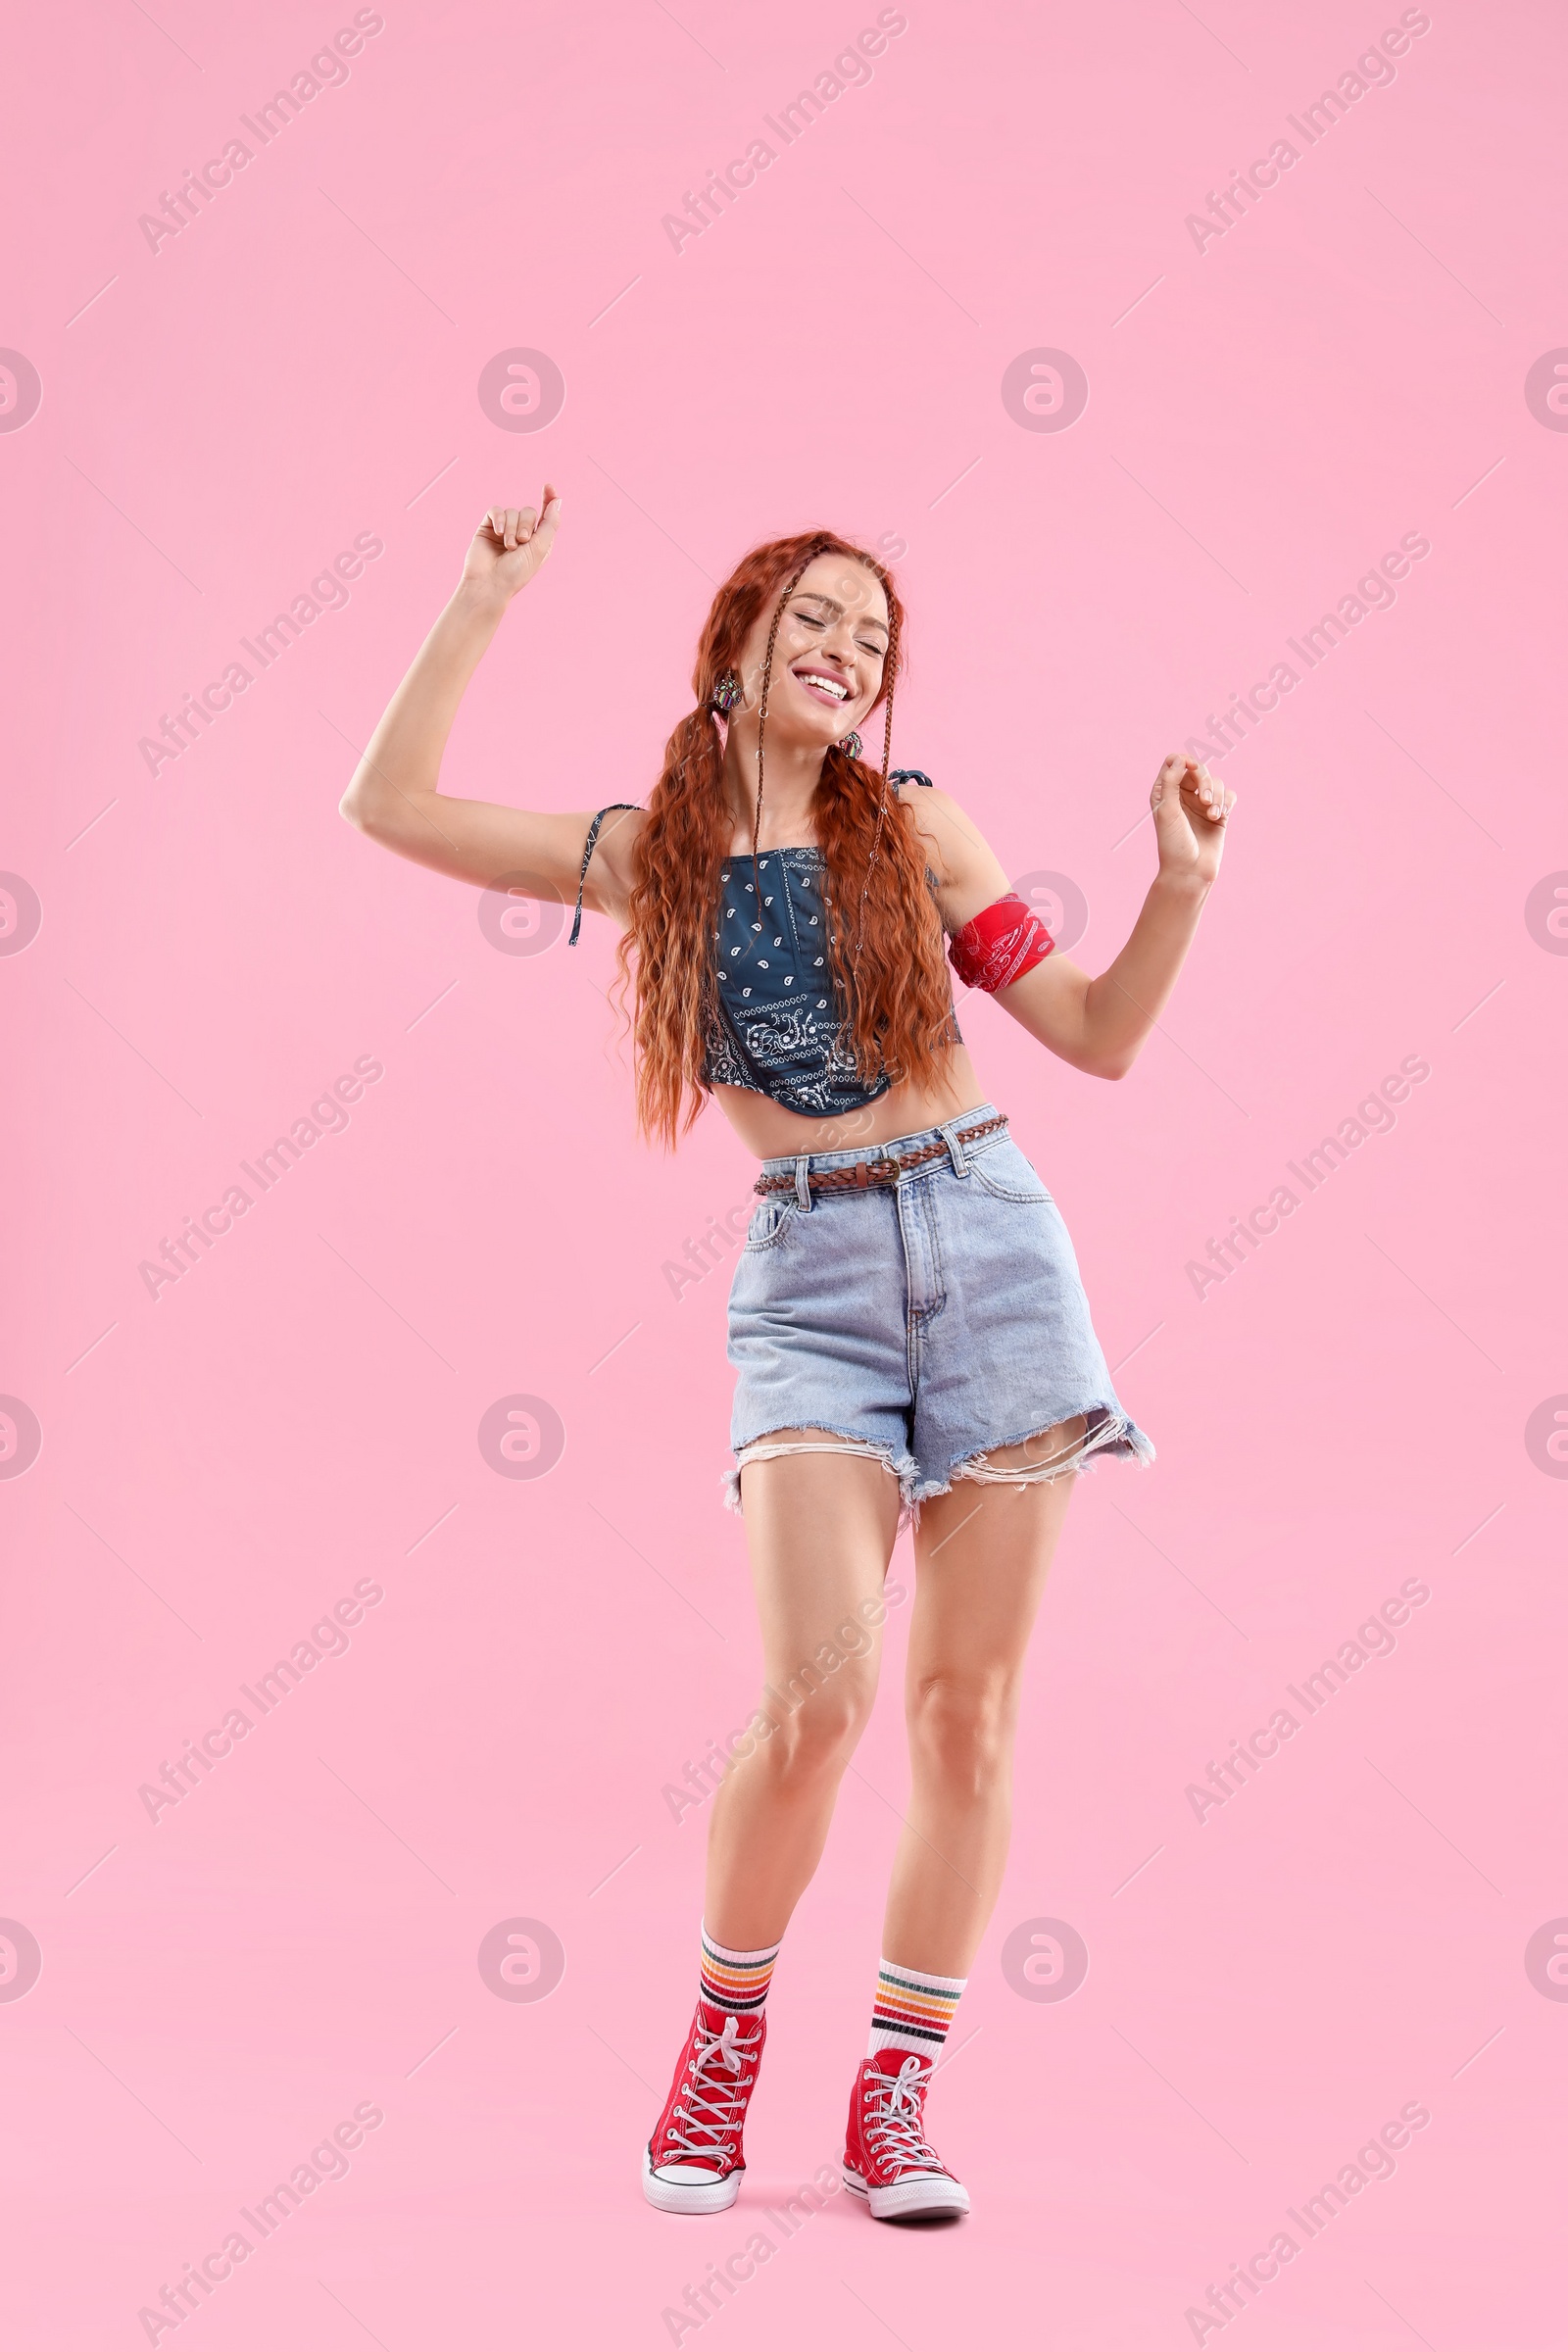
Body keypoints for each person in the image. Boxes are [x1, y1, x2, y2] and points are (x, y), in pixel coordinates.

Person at [340, 489, 1234, 2224]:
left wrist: (1178, 889)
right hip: (813, 1275)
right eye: (816, 618)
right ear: (737, 645)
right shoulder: (636, 856)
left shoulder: (916, 827)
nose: (850, 651)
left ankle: (895, 2091)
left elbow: (1098, 1039)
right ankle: (723, 2038)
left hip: (993, 1255)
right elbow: (387, 806)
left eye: (876, 638)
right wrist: (478, 598)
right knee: (817, 1701)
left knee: (966, 1719)